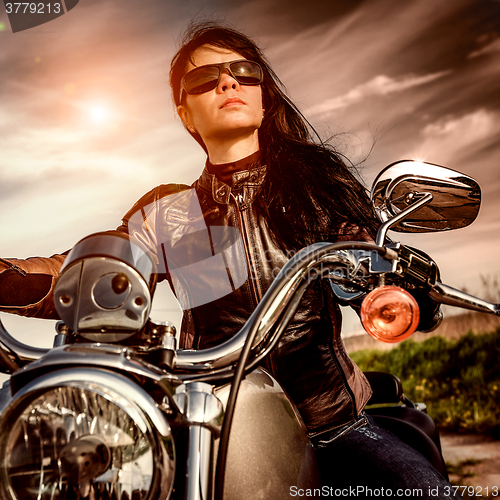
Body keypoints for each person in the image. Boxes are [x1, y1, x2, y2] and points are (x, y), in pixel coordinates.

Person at [0, 21, 458, 498]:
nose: (227, 82)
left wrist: (395, 283)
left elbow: (367, 254)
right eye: (205, 78)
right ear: (186, 114)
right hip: (212, 420)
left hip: (333, 423)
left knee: (417, 488)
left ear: (264, 97)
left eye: (243, 71)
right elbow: (89, 271)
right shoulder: (166, 214)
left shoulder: (317, 191)